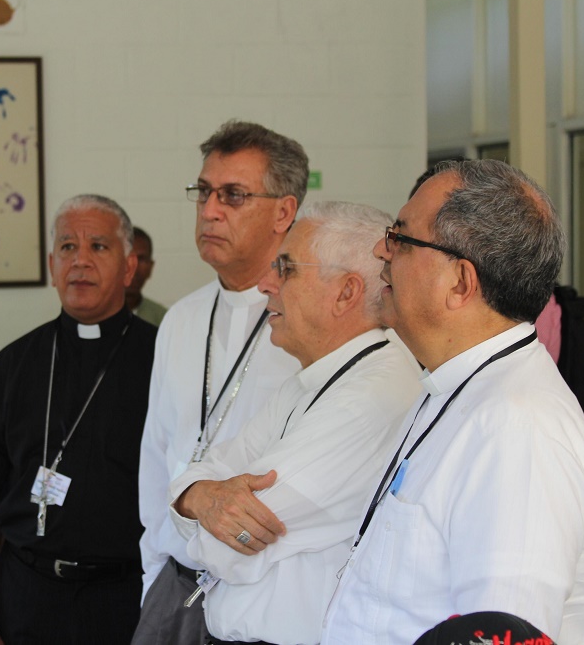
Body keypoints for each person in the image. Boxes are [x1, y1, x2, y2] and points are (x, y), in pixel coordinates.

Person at [321, 159, 584, 643]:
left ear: (460, 282)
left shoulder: (516, 431)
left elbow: (502, 634)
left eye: (400, 237)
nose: (380, 250)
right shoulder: (460, 387)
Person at [168, 201, 422, 644]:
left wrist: (200, 506)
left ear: (346, 292)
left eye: (285, 269)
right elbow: (197, 480)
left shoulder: (371, 397)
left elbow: (225, 549)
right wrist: (199, 496)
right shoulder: (311, 379)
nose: (266, 285)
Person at [0, 194, 157, 645]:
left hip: (128, 599)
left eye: (98, 246)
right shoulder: (10, 367)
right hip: (26, 598)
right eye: (67, 247)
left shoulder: (165, 361)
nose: (80, 260)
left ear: (129, 267)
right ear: (51, 264)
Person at [135, 120, 308, 645]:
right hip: (175, 587)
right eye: (204, 192)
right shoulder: (181, 319)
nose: (209, 210)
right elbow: (154, 464)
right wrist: (153, 580)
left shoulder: (315, 323)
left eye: (233, 195)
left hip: (269, 595)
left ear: (284, 211)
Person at [126, 226, 168, 326]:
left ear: (150, 267)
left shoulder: (164, 320)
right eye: (126, 257)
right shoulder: (90, 317)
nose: (133, 267)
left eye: (141, 259)